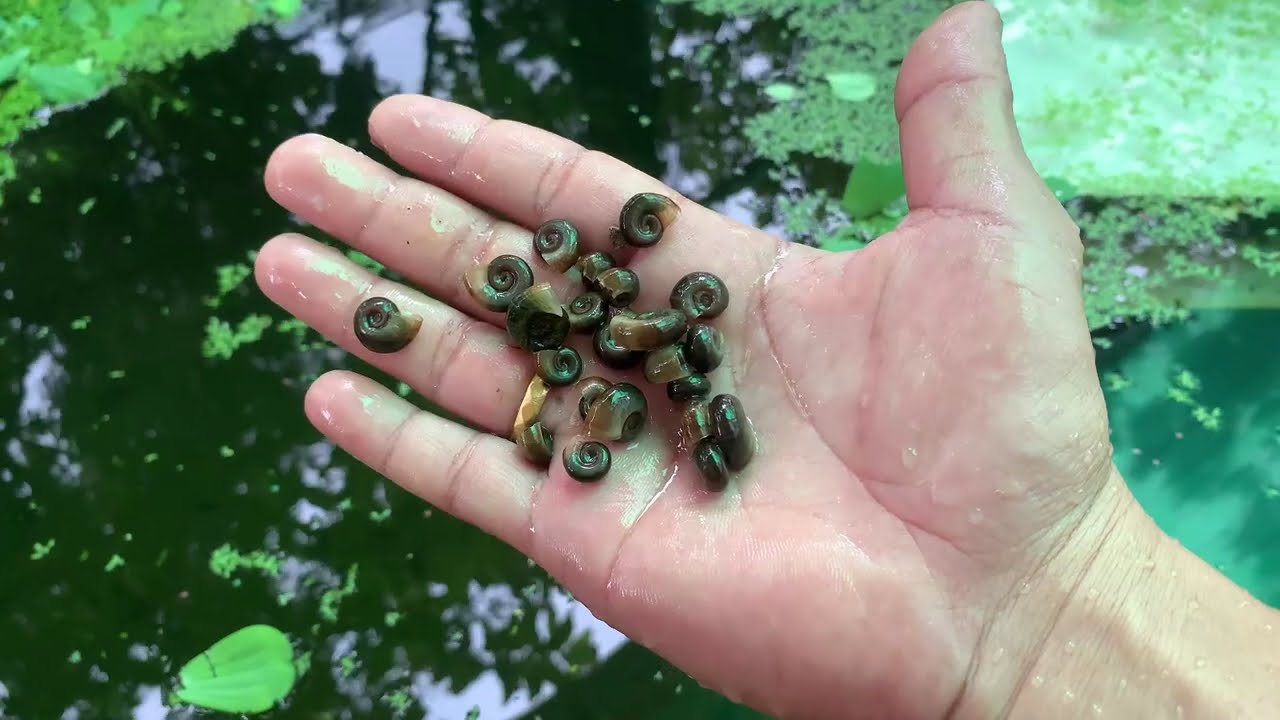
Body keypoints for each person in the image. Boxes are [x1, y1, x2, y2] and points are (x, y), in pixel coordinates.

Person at [253, 2, 1278, 717]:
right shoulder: (601, 342)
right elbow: (590, 346)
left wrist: (1040, 604)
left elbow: (635, 359)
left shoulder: (657, 361)